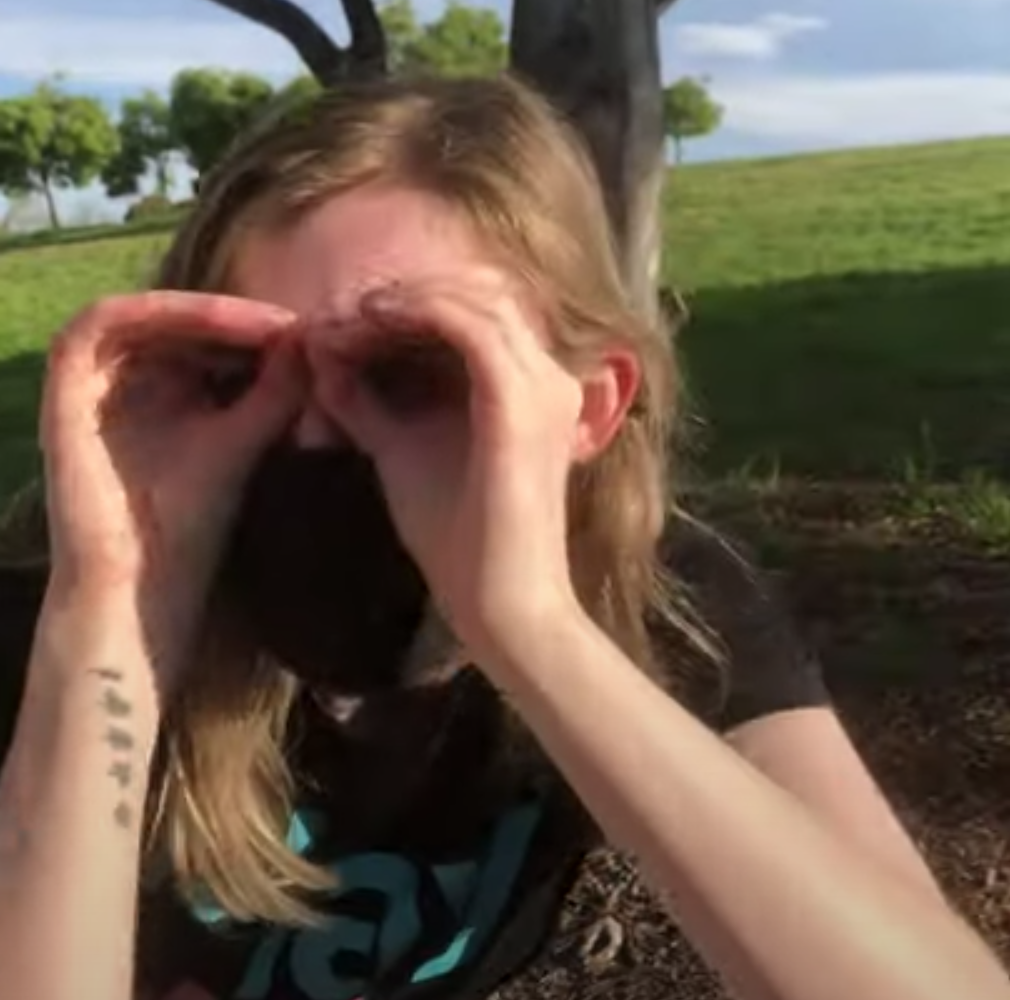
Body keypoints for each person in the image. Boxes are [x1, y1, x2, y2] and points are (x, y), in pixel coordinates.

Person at [0, 75, 1006, 1000]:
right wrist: (112, 617)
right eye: (237, 370)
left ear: (586, 407)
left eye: (412, 370)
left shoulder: (653, 595)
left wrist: (531, 625)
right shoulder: (46, 635)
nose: (314, 436)